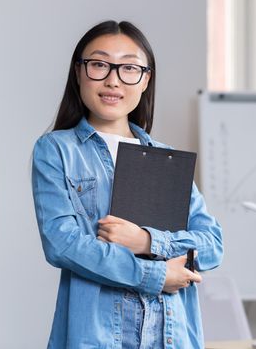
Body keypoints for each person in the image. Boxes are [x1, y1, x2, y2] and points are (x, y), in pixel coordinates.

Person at [31, 20, 223, 349]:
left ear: (146, 79)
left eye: (129, 68)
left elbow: (211, 245)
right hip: (98, 337)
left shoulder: (165, 158)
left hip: (171, 336)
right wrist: (156, 275)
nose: (113, 80)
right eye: (99, 64)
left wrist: (146, 241)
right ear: (79, 72)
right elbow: (62, 244)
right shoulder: (57, 150)